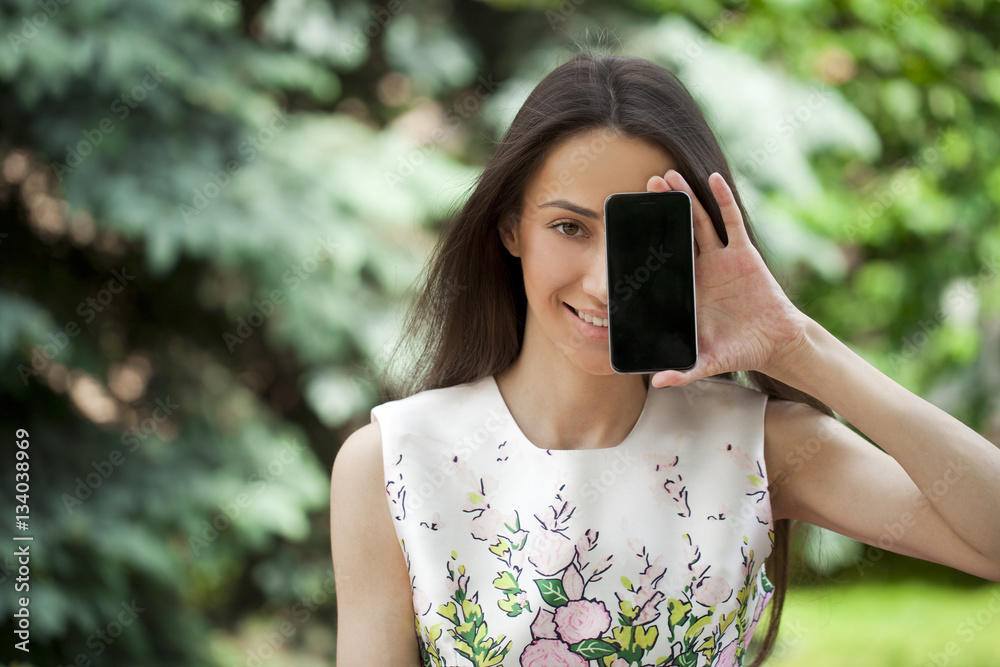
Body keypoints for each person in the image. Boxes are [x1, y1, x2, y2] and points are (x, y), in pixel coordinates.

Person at [330, 52, 1000, 667]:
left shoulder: (758, 443)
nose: (603, 282)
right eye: (569, 227)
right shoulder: (393, 462)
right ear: (511, 228)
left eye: (639, 236)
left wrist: (799, 346)